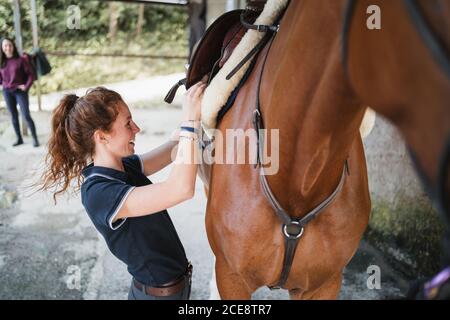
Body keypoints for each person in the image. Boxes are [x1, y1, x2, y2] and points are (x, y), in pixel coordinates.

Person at [40, 83, 206, 300]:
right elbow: (180, 189)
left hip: (173, 289)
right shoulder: (99, 192)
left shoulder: (124, 165)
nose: (136, 128)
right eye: (128, 123)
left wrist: (201, 108)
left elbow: (174, 149)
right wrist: (190, 123)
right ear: (102, 137)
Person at [0, 38, 39, 147]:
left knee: (26, 115)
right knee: (13, 116)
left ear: (13, 46)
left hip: (20, 92)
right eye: (5, 46)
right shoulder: (1, 62)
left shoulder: (21, 60)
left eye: (9, 45)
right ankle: (19, 139)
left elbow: (31, 75)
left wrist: (26, 86)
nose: (8, 48)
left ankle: (35, 138)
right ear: (2, 48)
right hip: (7, 92)